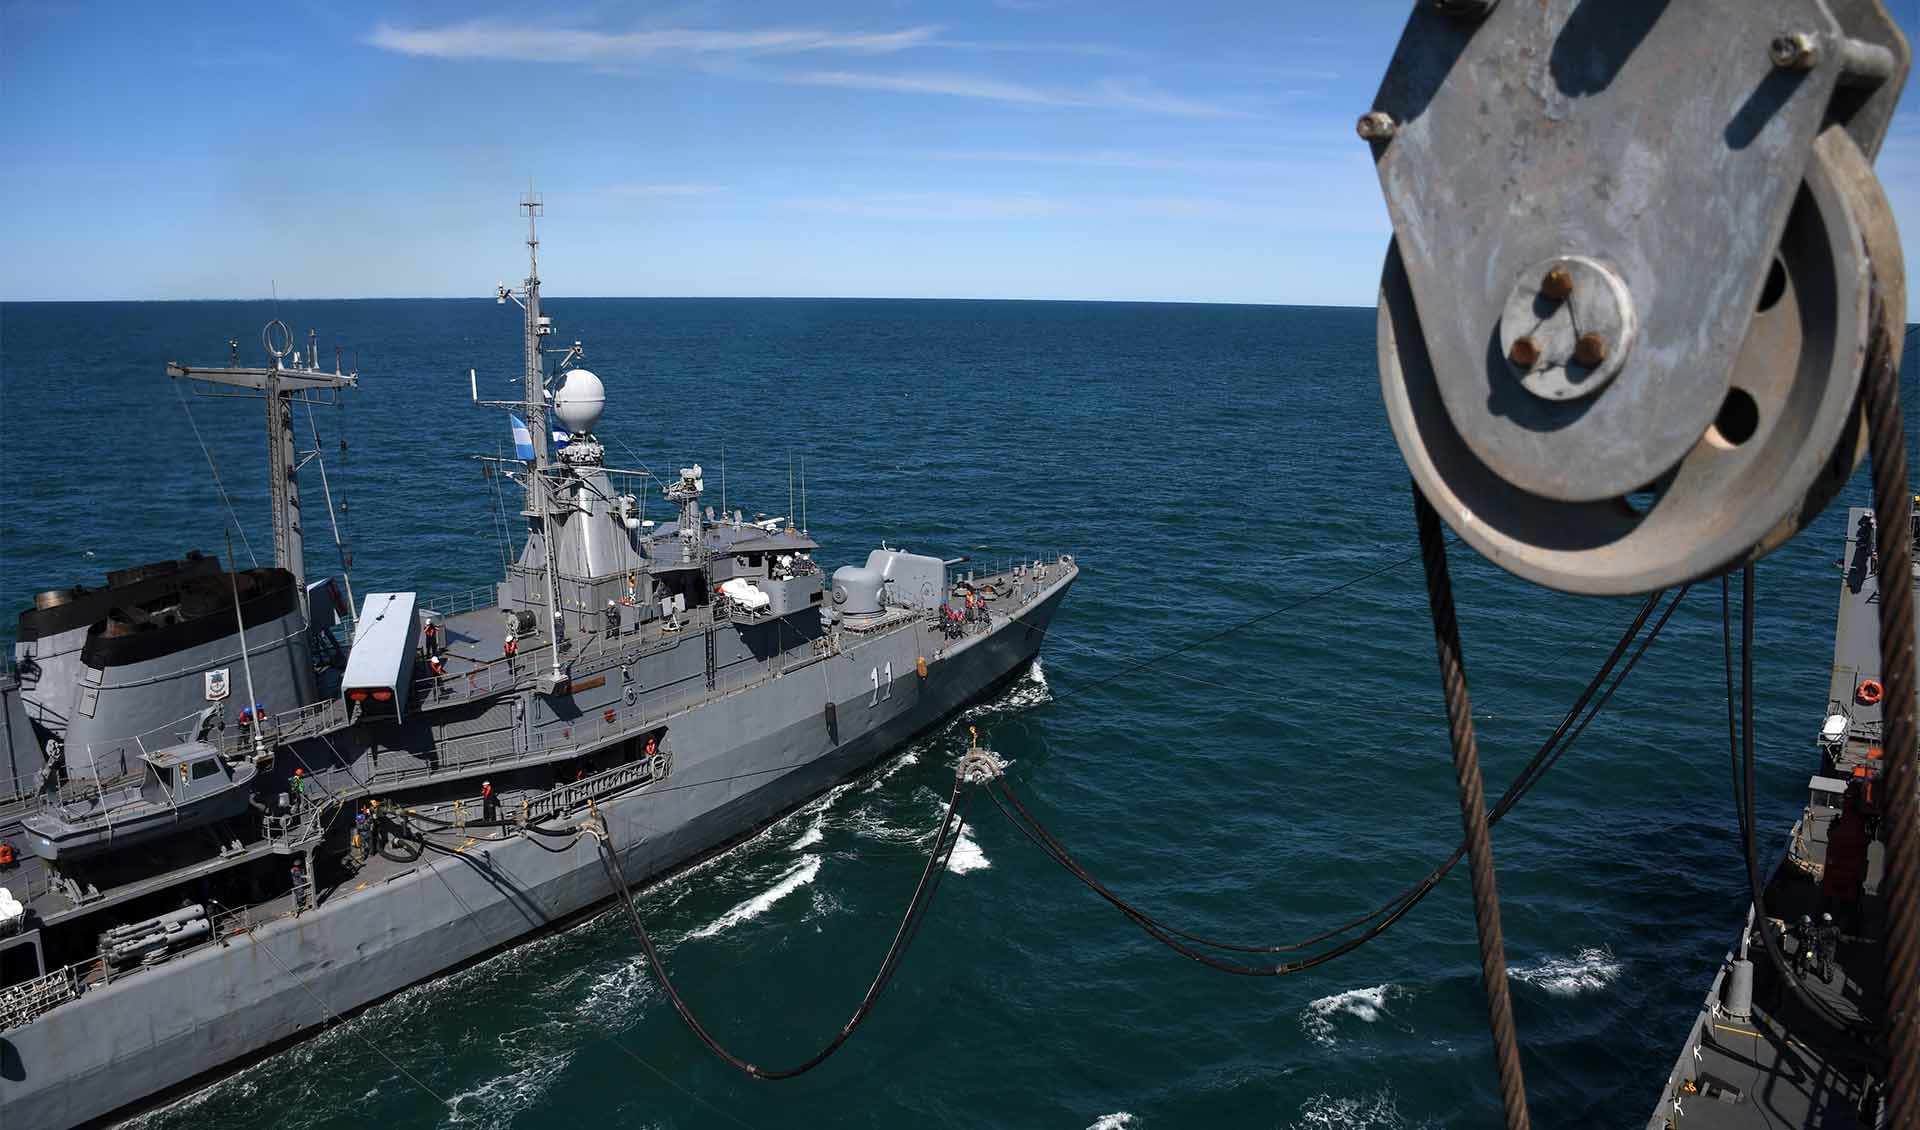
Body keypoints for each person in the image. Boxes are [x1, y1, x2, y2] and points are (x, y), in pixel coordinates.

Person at [1815, 912, 1840, 981]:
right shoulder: (1836, 928)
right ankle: (1830, 977)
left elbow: (1817, 938)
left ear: (1824, 920)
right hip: (1831, 949)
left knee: (1820, 961)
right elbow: (1839, 938)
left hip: (1822, 948)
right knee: (1829, 963)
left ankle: (1820, 973)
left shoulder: (1820, 928)